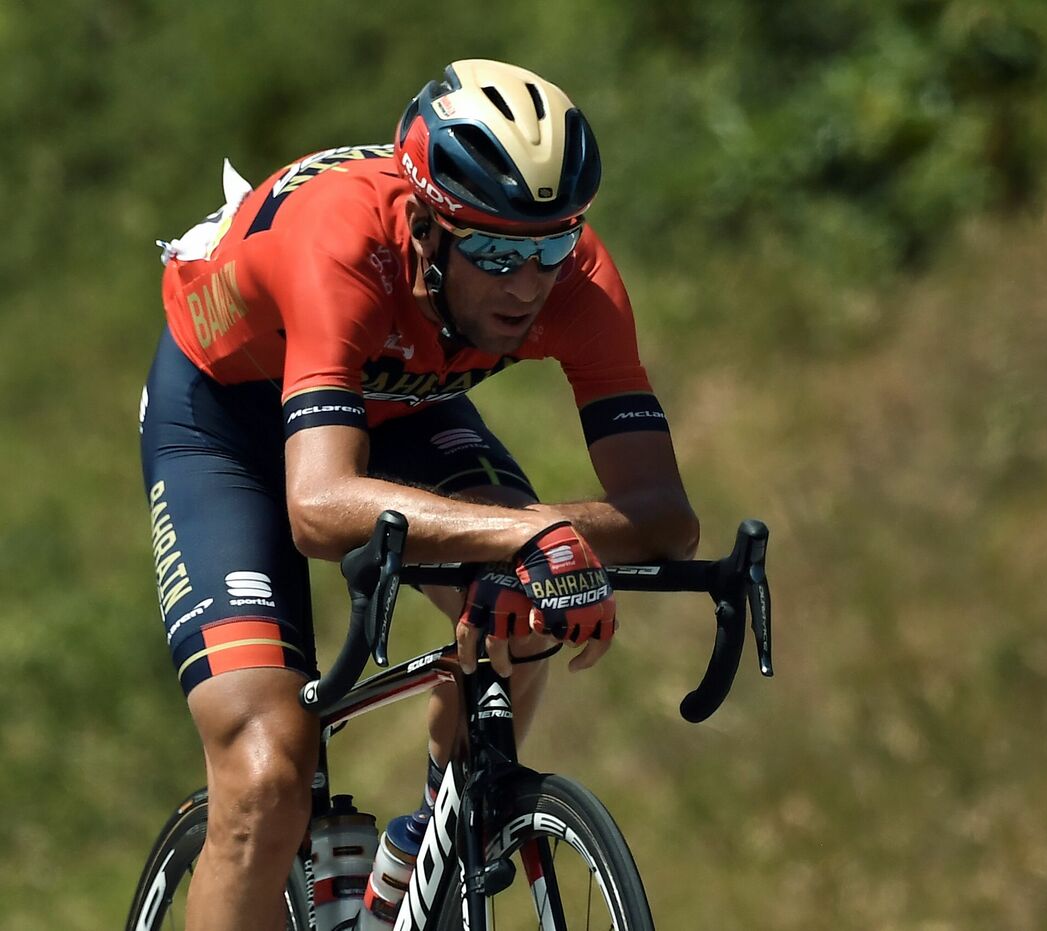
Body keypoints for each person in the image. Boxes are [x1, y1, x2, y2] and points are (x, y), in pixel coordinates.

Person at [140, 58, 699, 931]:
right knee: (267, 776)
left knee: (525, 602)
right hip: (224, 420)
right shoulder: (342, 244)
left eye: (550, 247)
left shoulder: (577, 278)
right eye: (497, 253)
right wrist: (528, 530)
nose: (528, 282)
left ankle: (431, 844)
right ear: (425, 228)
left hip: (397, 401)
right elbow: (319, 504)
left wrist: (538, 542)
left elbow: (664, 514)